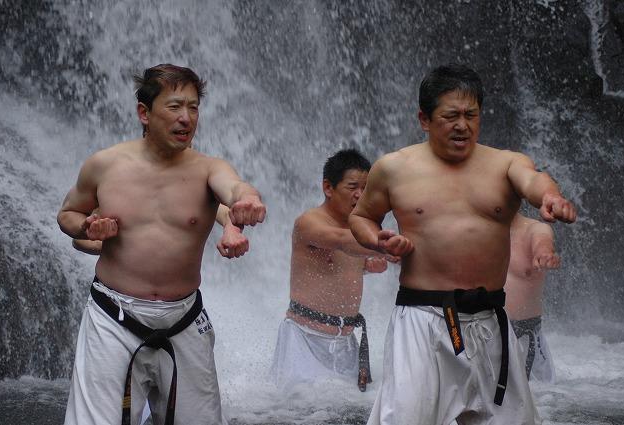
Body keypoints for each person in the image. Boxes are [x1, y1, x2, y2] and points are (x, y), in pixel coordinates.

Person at [349, 64, 576, 425]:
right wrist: (378, 240)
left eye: (471, 115)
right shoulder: (393, 168)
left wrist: (550, 197)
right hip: (422, 320)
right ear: (424, 119)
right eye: (450, 116)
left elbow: (534, 180)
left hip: (490, 320)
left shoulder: (506, 164)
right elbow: (361, 217)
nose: (462, 125)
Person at [57, 64, 265, 425]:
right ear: (144, 113)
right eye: (175, 106)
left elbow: (235, 188)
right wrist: (88, 226)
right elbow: (67, 214)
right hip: (113, 316)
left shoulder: (208, 169)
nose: (187, 118)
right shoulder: (104, 165)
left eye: (194, 107)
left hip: (184, 318)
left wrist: (247, 201)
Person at [270, 149, 396, 393]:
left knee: (353, 408)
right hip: (304, 339)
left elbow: (340, 261)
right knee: (300, 408)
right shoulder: (309, 222)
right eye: (353, 187)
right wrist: (384, 247)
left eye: (365, 188)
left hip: (346, 341)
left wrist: (367, 266)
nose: (360, 195)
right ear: (328, 187)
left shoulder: (361, 226)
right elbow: (340, 240)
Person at [73, 205, 250, 259]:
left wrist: (231, 230)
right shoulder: (123, 185)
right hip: (120, 303)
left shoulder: (198, 186)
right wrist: (105, 244)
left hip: (182, 306)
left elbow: (226, 214)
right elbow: (78, 240)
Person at [505, 212, 559, 382]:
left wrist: (545, 254)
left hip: (524, 337)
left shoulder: (535, 229)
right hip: (482, 333)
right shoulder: (475, 232)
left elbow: (543, 241)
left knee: (538, 396)